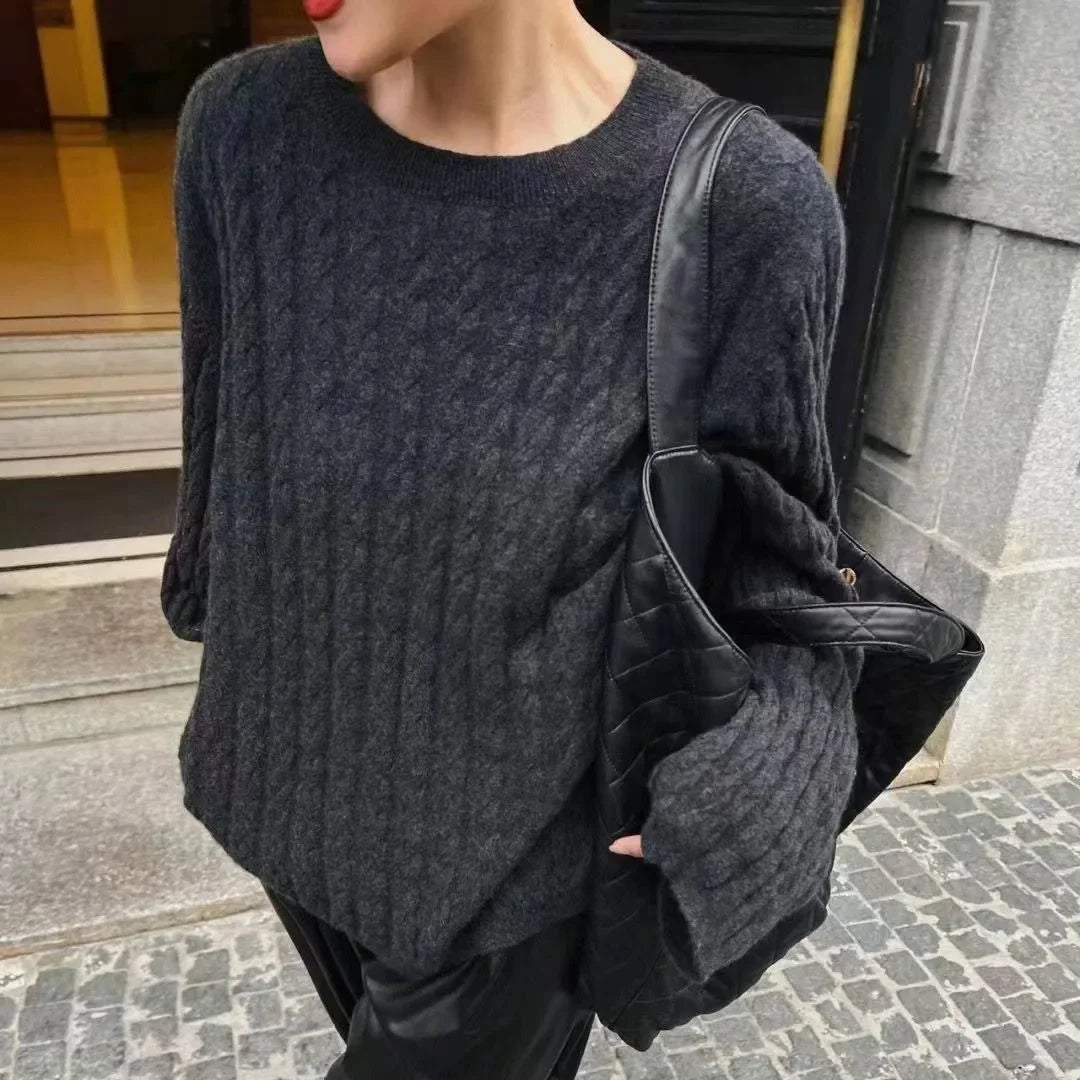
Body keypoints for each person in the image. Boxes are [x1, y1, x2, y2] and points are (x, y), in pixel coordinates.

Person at [161, 0, 860, 1076]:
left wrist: (751, 794)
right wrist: (225, 629)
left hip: (516, 872)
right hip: (280, 789)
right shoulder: (242, 123)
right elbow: (222, 414)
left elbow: (790, 564)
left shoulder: (743, 198)